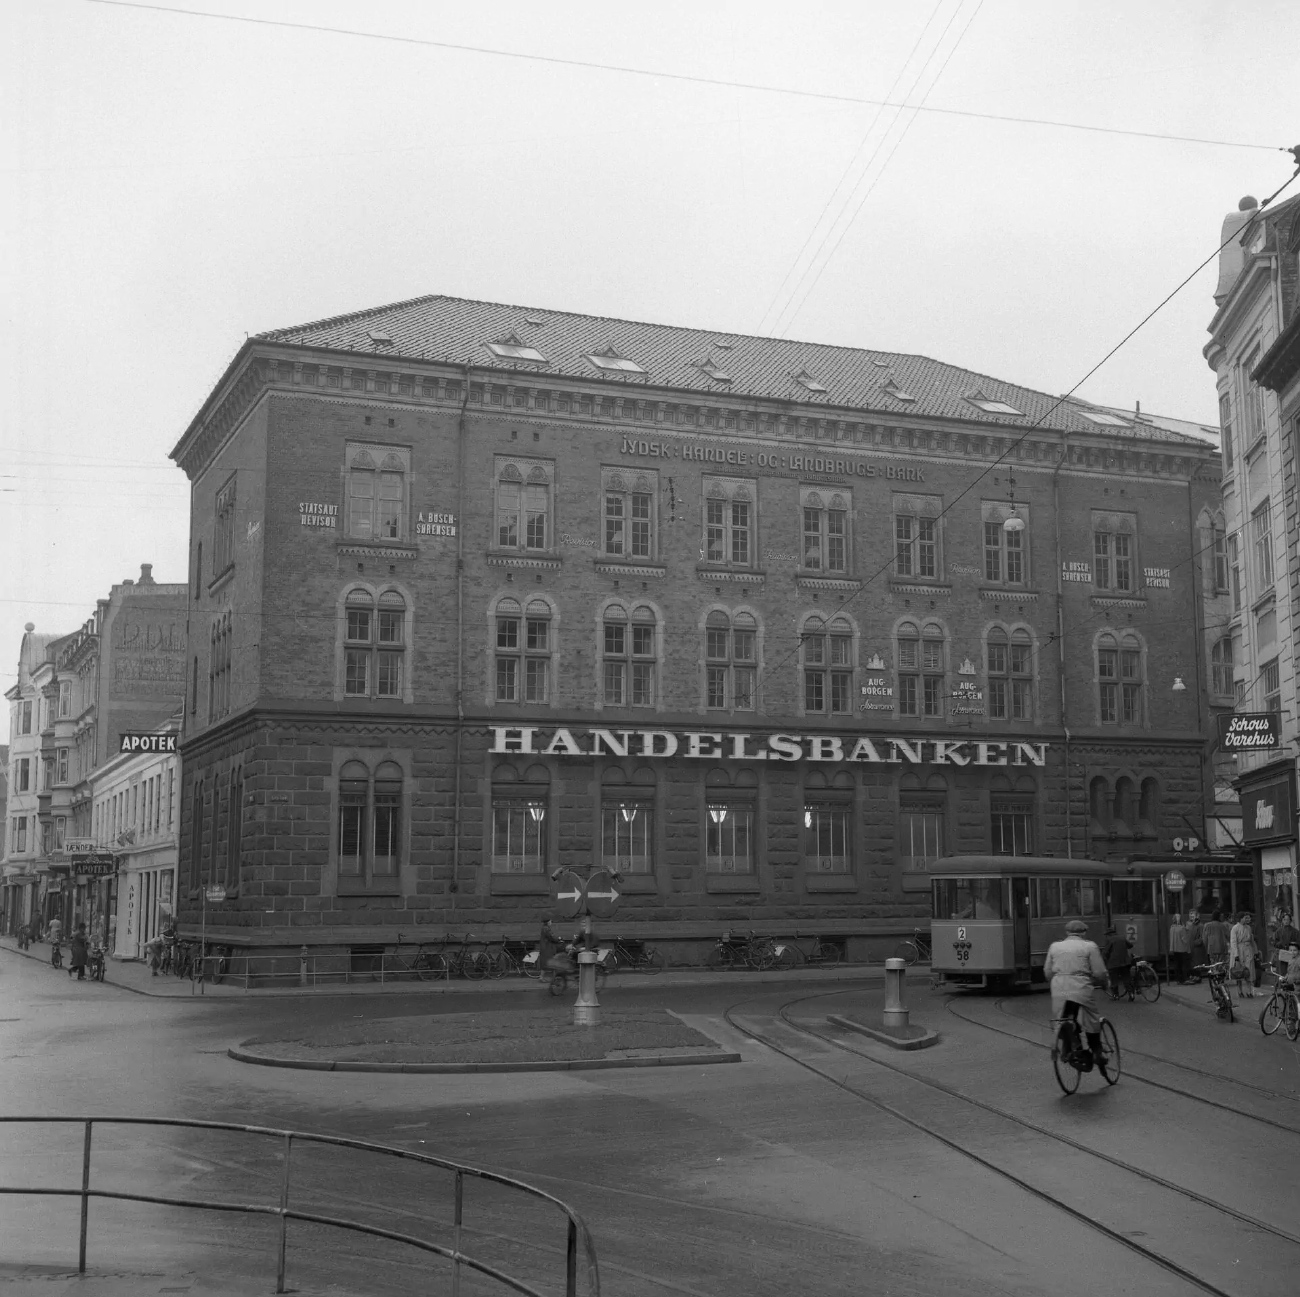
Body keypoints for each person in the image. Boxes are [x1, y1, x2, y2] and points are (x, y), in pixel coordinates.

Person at [1044, 919, 1111, 1075]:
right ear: (1084, 932)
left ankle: (1072, 1048)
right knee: (1091, 1017)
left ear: (1067, 933)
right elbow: (1099, 972)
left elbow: (1047, 972)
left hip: (1059, 985)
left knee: (1063, 1018)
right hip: (1080, 985)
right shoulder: (1090, 946)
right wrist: (1104, 983)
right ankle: (1096, 1051)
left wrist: (1055, 981)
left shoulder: (1054, 946)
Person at [1228, 912, 1258, 999]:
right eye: (1245, 918)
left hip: (1248, 950)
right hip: (1239, 950)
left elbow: (1252, 940)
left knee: (1249, 970)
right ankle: (1239, 991)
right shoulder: (1235, 928)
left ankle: (1249, 991)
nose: (1247, 920)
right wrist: (1236, 955)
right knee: (1239, 972)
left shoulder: (1249, 928)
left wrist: (1255, 952)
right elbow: (1233, 942)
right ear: (1241, 918)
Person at [1102, 925, 1133, 999]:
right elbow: (1130, 945)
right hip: (1125, 962)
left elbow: (1105, 952)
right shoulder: (1122, 937)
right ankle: (1131, 994)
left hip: (1113, 963)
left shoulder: (1110, 940)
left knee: (1114, 979)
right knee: (1126, 978)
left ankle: (1116, 995)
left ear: (1109, 934)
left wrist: (1104, 960)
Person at [1168, 914, 1190, 984]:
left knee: (1177, 964)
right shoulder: (1182, 928)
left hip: (1174, 949)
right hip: (1182, 949)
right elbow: (1184, 940)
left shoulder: (1171, 928)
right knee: (1183, 964)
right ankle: (1184, 979)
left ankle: (1178, 979)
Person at [1185, 912, 1205, 982]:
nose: (1191, 917)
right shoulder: (1191, 925)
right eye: (1190, 915)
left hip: (1196, 948)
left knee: (1196, 963)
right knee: (1193, 963)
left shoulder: (1200, 925)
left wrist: (1194, 942)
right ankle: (1194, 976)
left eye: (1193, 916)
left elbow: (1202, 938)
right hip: (1192, 947)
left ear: (1197, 916)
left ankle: (1197, 977)